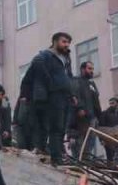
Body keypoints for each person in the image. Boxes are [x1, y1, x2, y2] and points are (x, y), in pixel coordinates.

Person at [26, 33, 75, 163]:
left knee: (63, 127)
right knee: (56, 126)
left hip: (65, 96)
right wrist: (51, 85)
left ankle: (59, 154)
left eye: (68, 43)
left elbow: (69, 77)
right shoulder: (45, 55)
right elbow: (38, 69)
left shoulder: (66, 58)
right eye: (64, 42)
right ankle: (56, 157)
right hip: (54, 95)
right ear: (54, 41)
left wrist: (72, 94)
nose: (66, 45)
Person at [69, 61, 103, 159]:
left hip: (92, 119)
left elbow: (96, 101)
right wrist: (79, 108)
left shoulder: (92, 83)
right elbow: (74, 96)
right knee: (81, 146)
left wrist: (99, 117)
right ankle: (80, 164)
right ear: (83, 69)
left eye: (92, 69)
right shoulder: (76, 81)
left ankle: (87, 162)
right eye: (89, 69)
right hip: (81, 119)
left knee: (89, 146)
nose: (92, 71)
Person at [98, 96, 118, 165]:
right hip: (108, 139)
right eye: (110, 103)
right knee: (110, 157)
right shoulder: (105, 114)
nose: (111, 105)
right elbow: (101, 126)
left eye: (113, 103)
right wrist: (101, 139)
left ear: (117, 103)